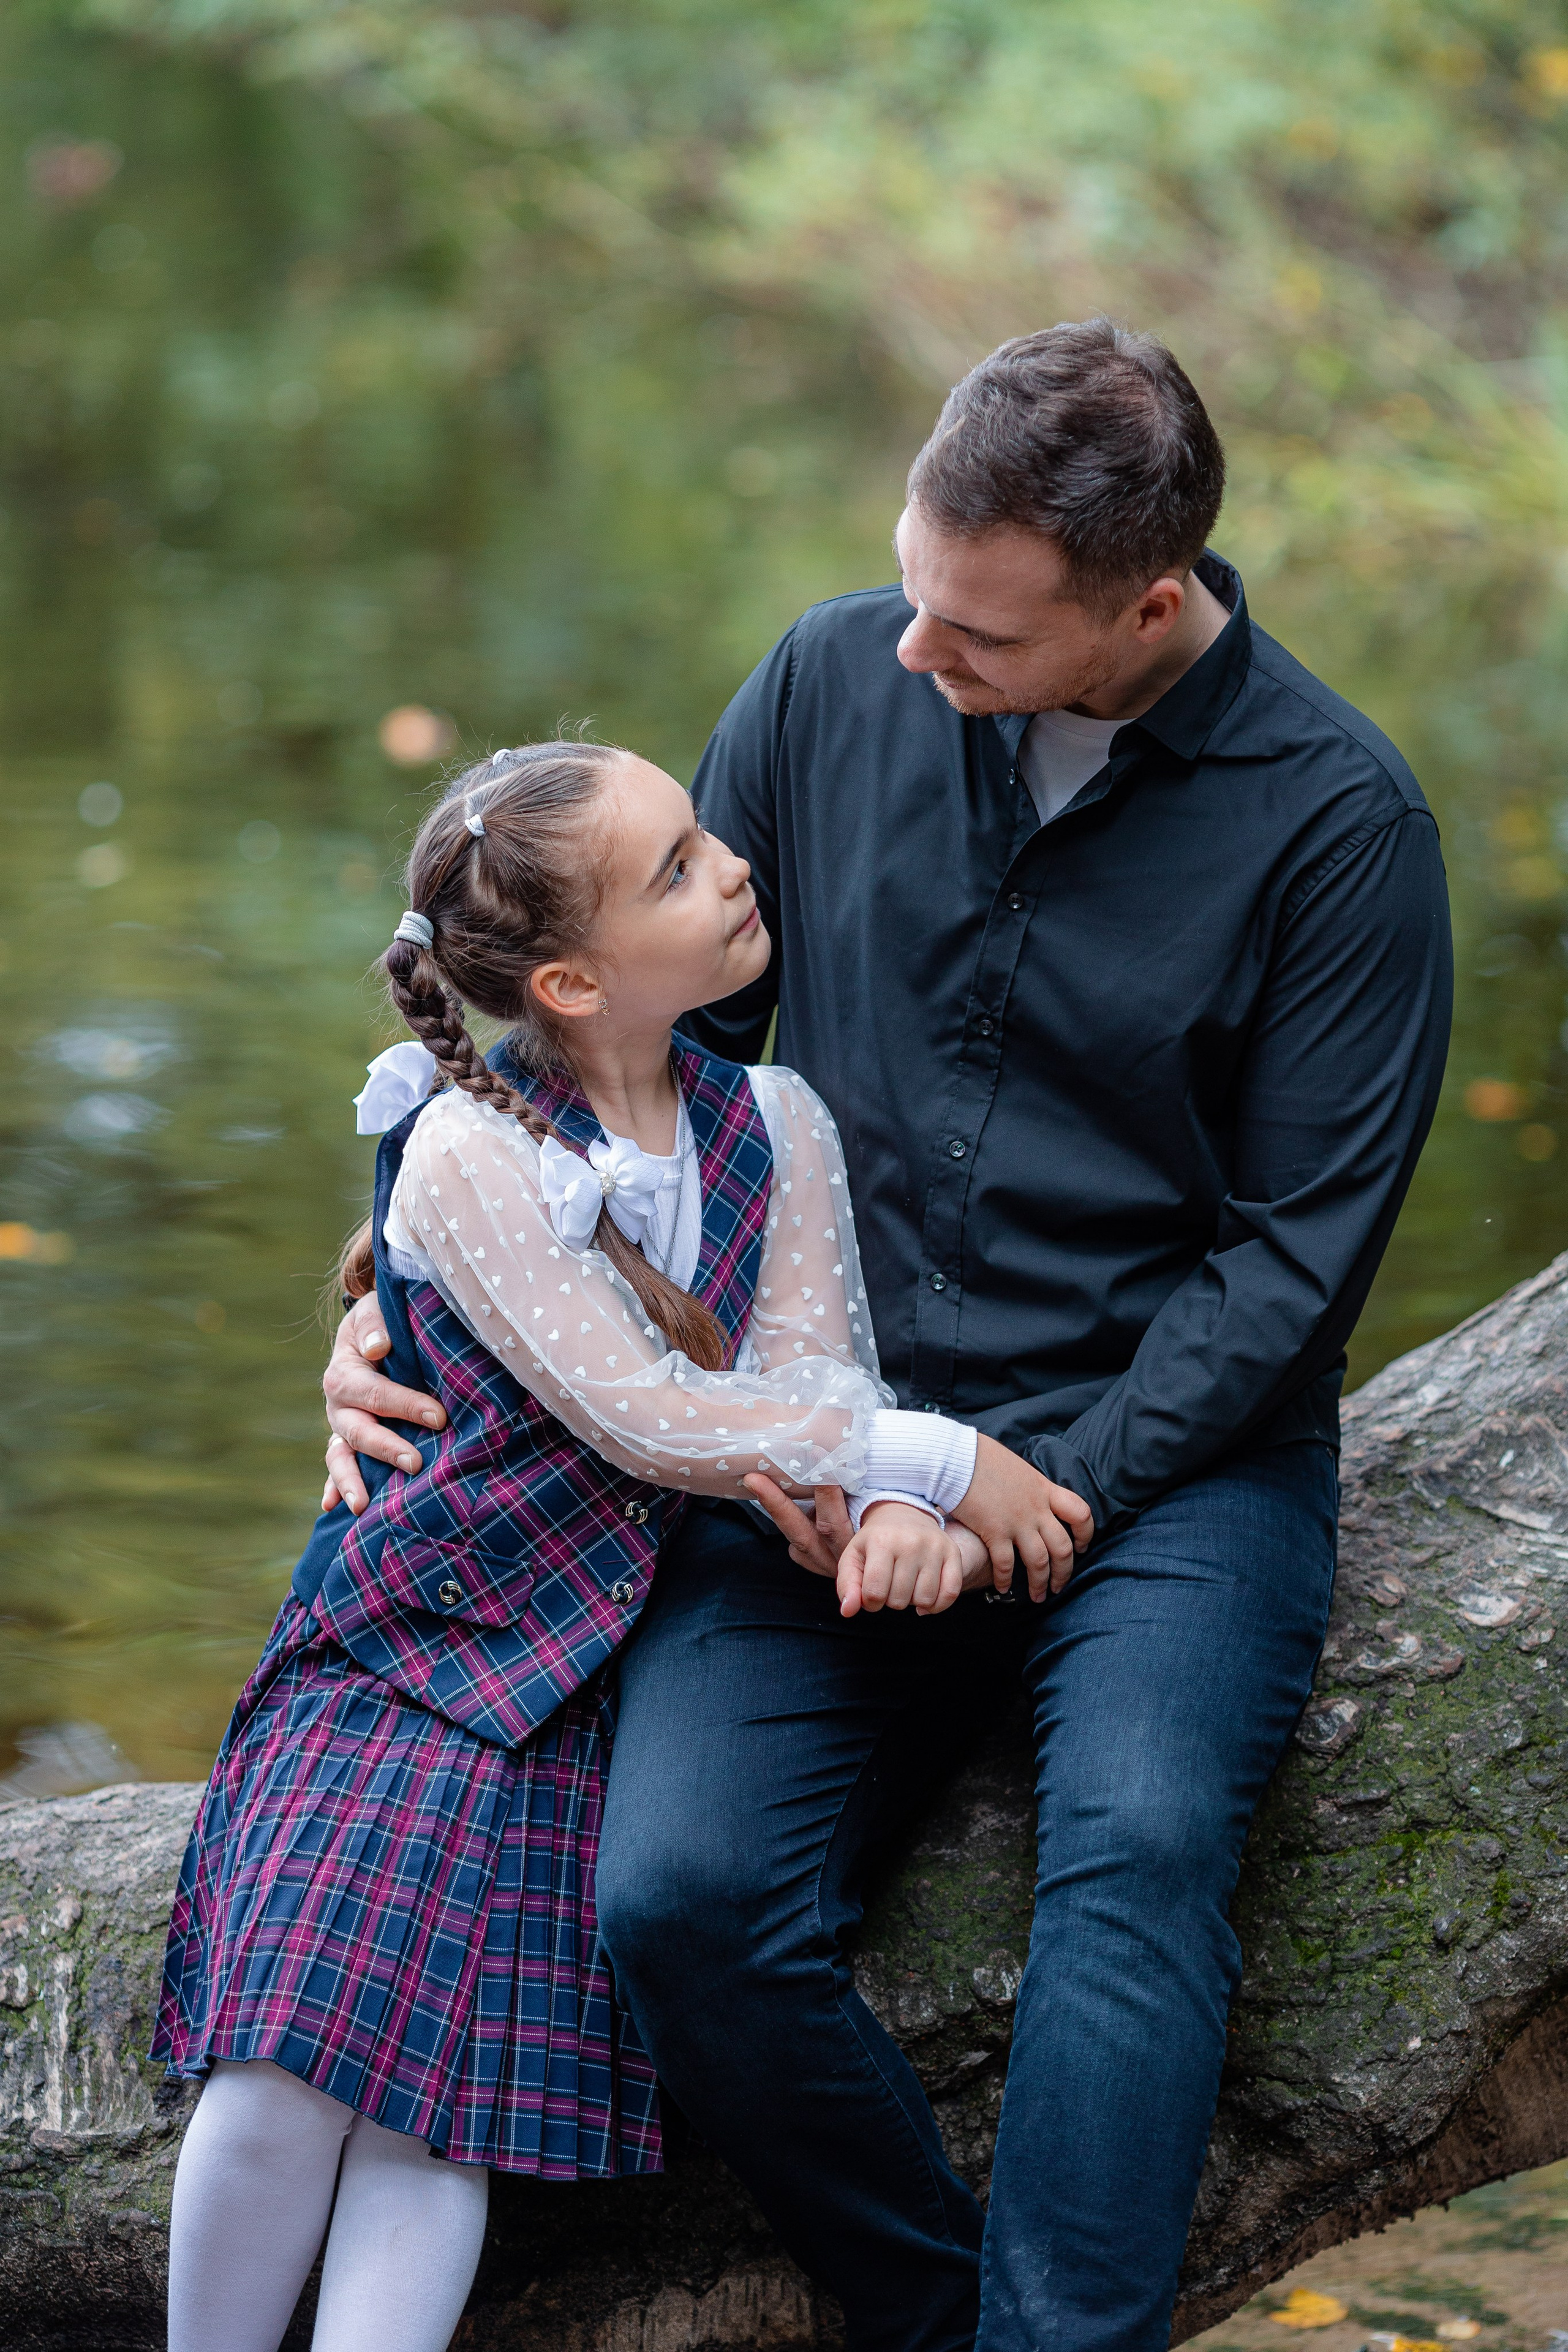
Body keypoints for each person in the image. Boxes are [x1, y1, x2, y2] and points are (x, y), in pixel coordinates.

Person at [322, 320, 1453, 2352]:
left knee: (1141, 1846)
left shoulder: (1341, 829)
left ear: (1152, 603)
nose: (916, 655)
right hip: (809, 1423)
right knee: (676, 1902)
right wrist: (410, 1308)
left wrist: (1030, 1492)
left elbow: (1292, 1265)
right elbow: (620, 1065)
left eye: (985, 638)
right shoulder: (838, 675)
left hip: (1173, 1460)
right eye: (917, 593)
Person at [154, 737, 1081, 2352]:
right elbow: (646, 1419)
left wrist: (874, 1502)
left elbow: (797, 1383)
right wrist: (941, 1459)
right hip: (413, 1648)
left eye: (706, 837)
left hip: (594, 1683)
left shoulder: (774, 1124)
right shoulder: (470, 1149)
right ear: (574, 980)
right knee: (288, 2073)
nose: (730, 866)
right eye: (675, 867)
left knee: (442, 2115)